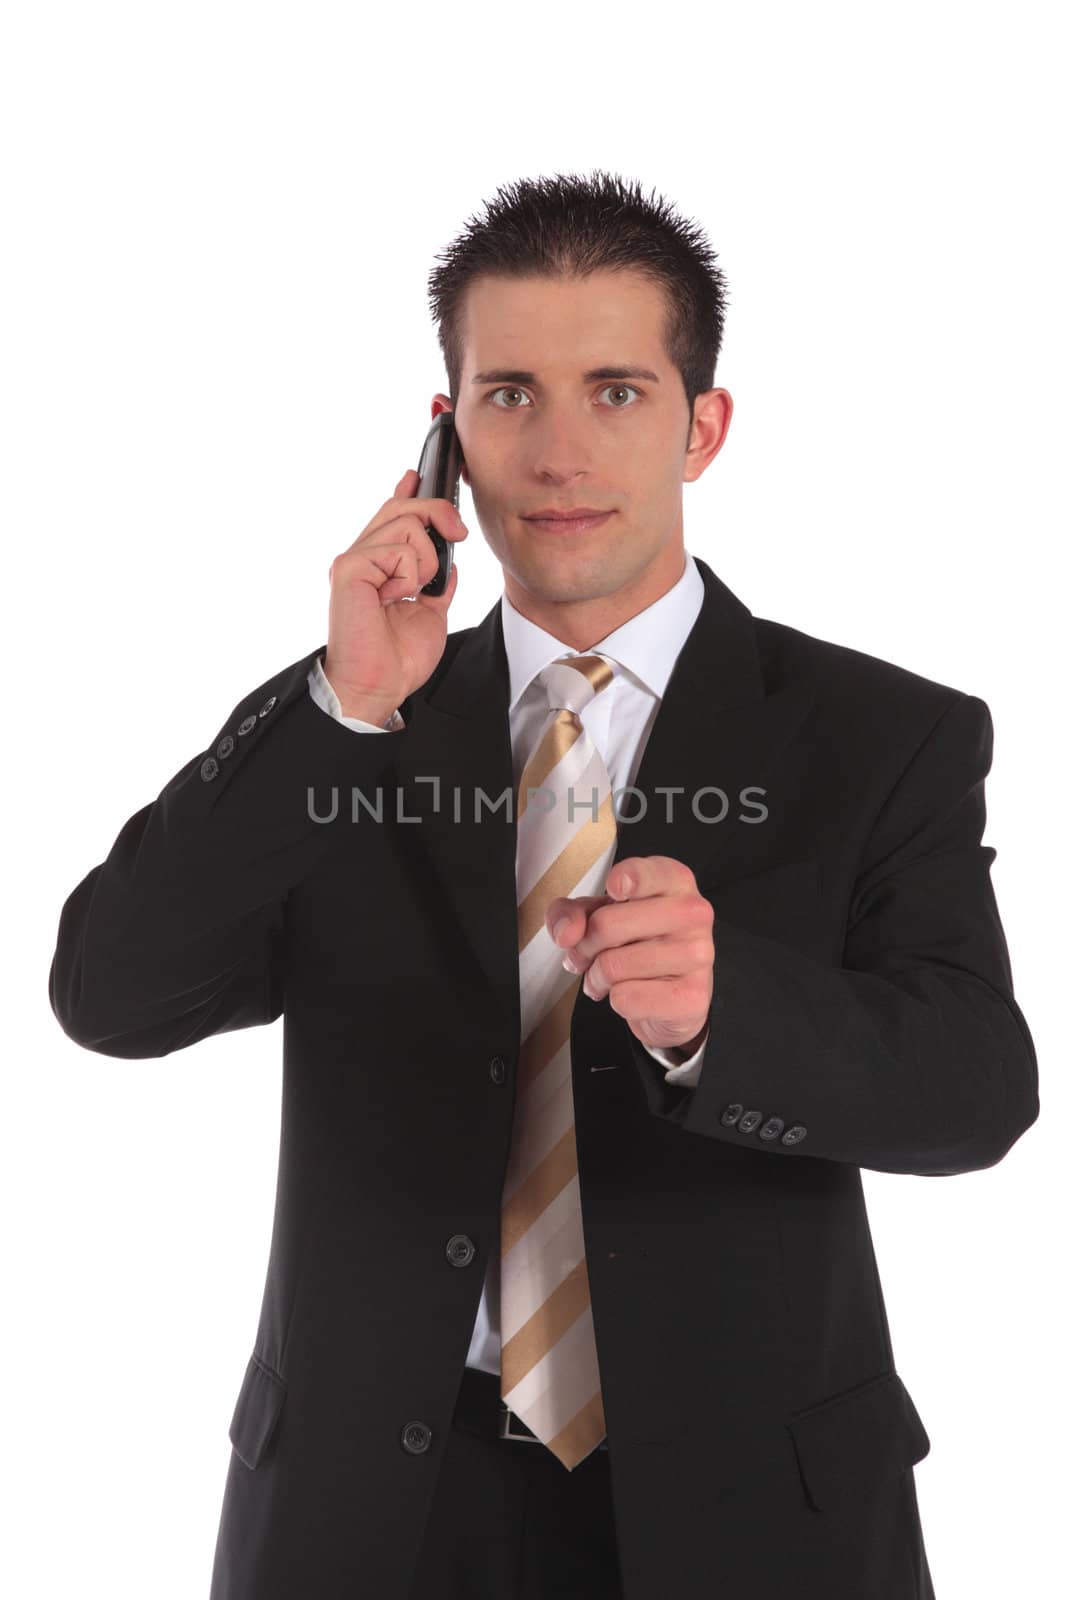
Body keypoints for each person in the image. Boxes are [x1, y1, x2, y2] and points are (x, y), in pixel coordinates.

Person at [48, 170, 1039, 1600]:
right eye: (509, 393)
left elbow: (976, 1089)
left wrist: (725, 1014)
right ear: (445, 436)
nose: (561, 450)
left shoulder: (882, 736)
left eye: (618, 393)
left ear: (706, 427)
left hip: (754, 1509)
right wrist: (337, 704)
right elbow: (113, 994)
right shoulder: (360, 720)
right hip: (373, 1512)